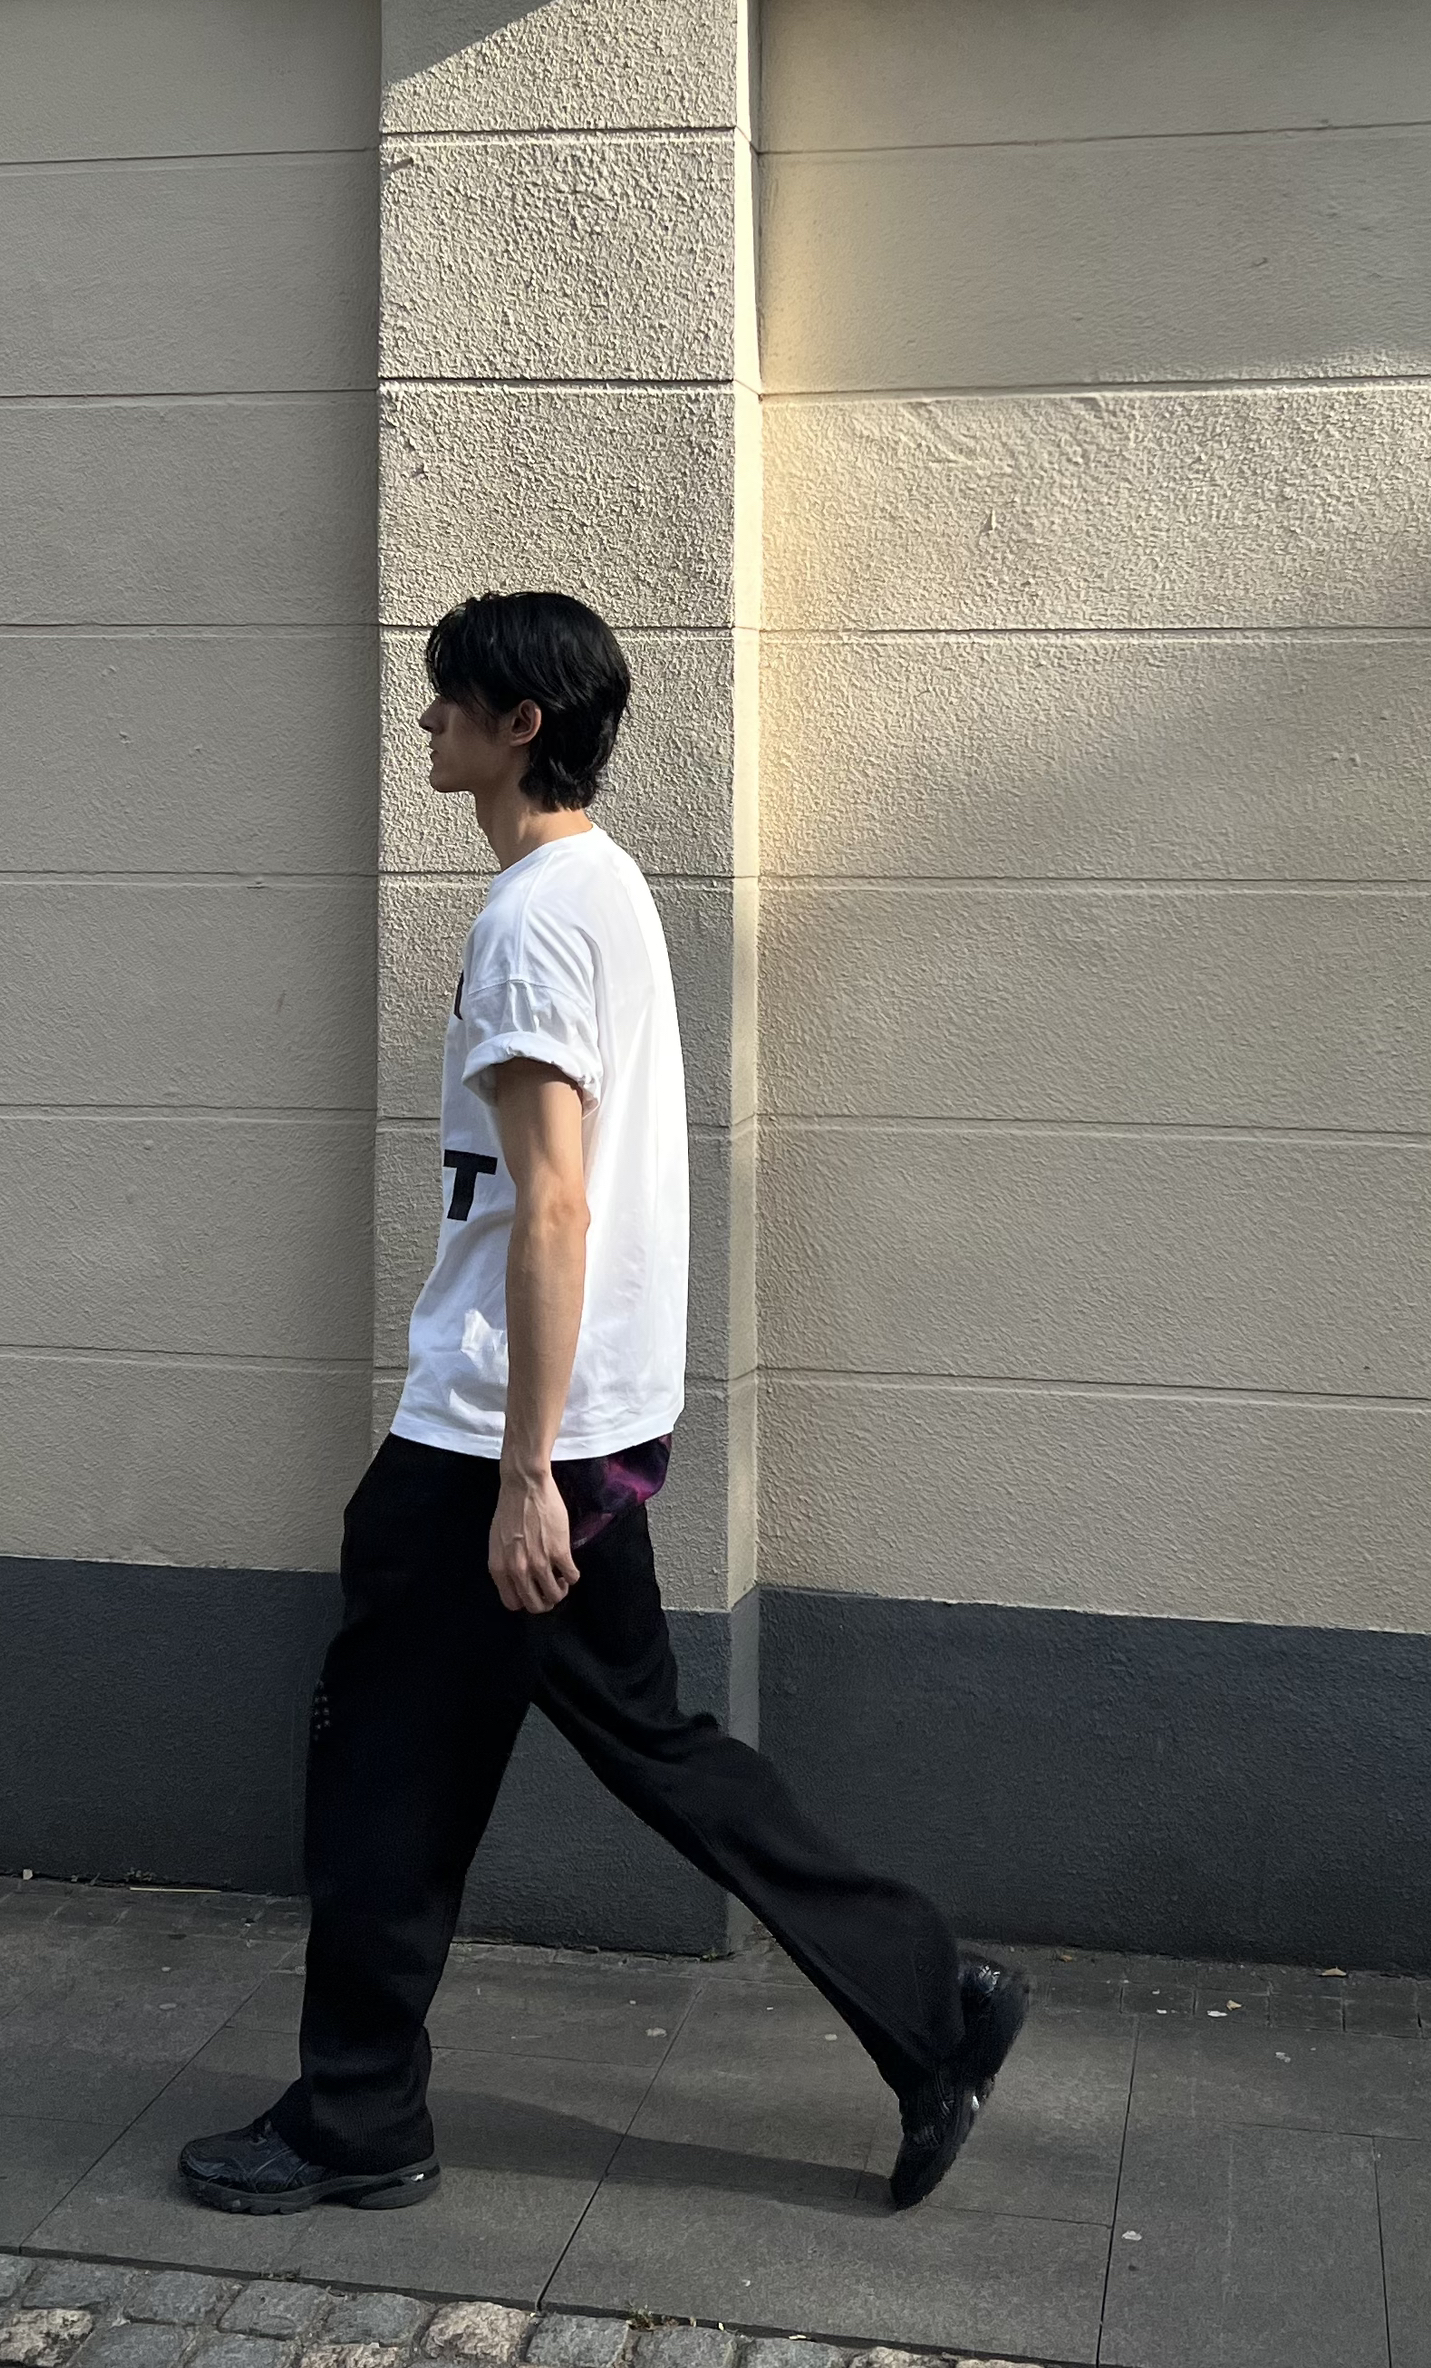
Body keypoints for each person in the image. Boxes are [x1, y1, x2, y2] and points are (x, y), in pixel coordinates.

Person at [177, 591, 1027, 2220]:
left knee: (381, 1781)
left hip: (498, 1445)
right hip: (584, 1429)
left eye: (449, 698)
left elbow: (553, 1206)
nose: (425, 720)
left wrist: (519, 1475)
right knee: (651, 1748)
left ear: (520, 724)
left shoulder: (533, 918)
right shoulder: (603, 887)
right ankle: (934, 2002)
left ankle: (358, 2118)